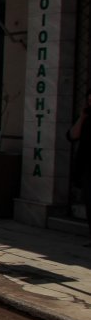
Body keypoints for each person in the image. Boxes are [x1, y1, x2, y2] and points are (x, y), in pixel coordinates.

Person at [67, 93, 91, 244]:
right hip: (87, 166)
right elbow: (72, 135)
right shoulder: (86, 118)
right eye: (89, 100)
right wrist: (82, 117)